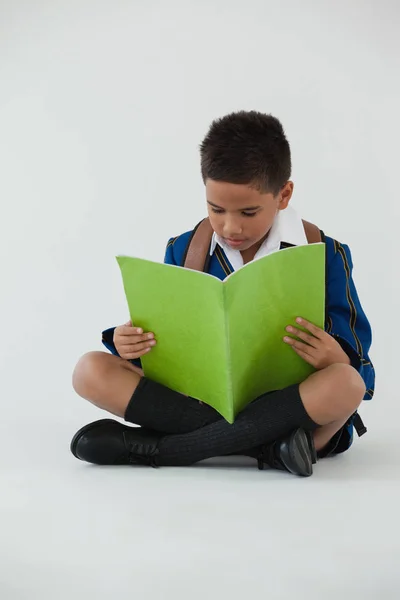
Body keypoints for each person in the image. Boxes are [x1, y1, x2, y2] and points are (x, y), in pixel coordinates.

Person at [70, 111, 375, 477]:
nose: (231, 226)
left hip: (293, 407)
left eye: (248, 212)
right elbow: (165, 353)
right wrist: (128, 343)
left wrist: (334, 356)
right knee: (90, 370)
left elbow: (363, 375)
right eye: (216, 209)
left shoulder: (326, 253)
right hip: (201, 402)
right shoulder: (184, 250)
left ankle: (166, 449)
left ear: (284, 194)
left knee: (346, 384)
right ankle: (272, 450)